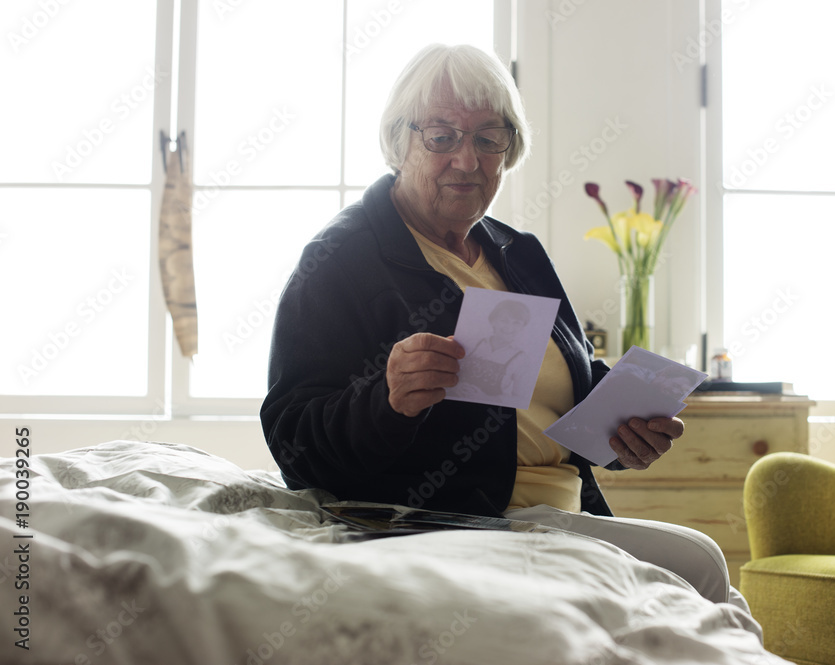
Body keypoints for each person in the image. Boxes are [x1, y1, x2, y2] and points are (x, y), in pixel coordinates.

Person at [261, 44, 741, 608]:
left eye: (489, 138)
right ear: (398, 142)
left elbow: (571, 382)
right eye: (441, 136)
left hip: (563, 514)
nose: (468, 160)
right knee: (701, 566)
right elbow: (292, 438)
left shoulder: (519, 253)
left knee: (697, 572)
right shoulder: (342, 258)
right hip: (459, 522)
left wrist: (626, 433)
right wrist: (387, 402)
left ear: (509, 149)